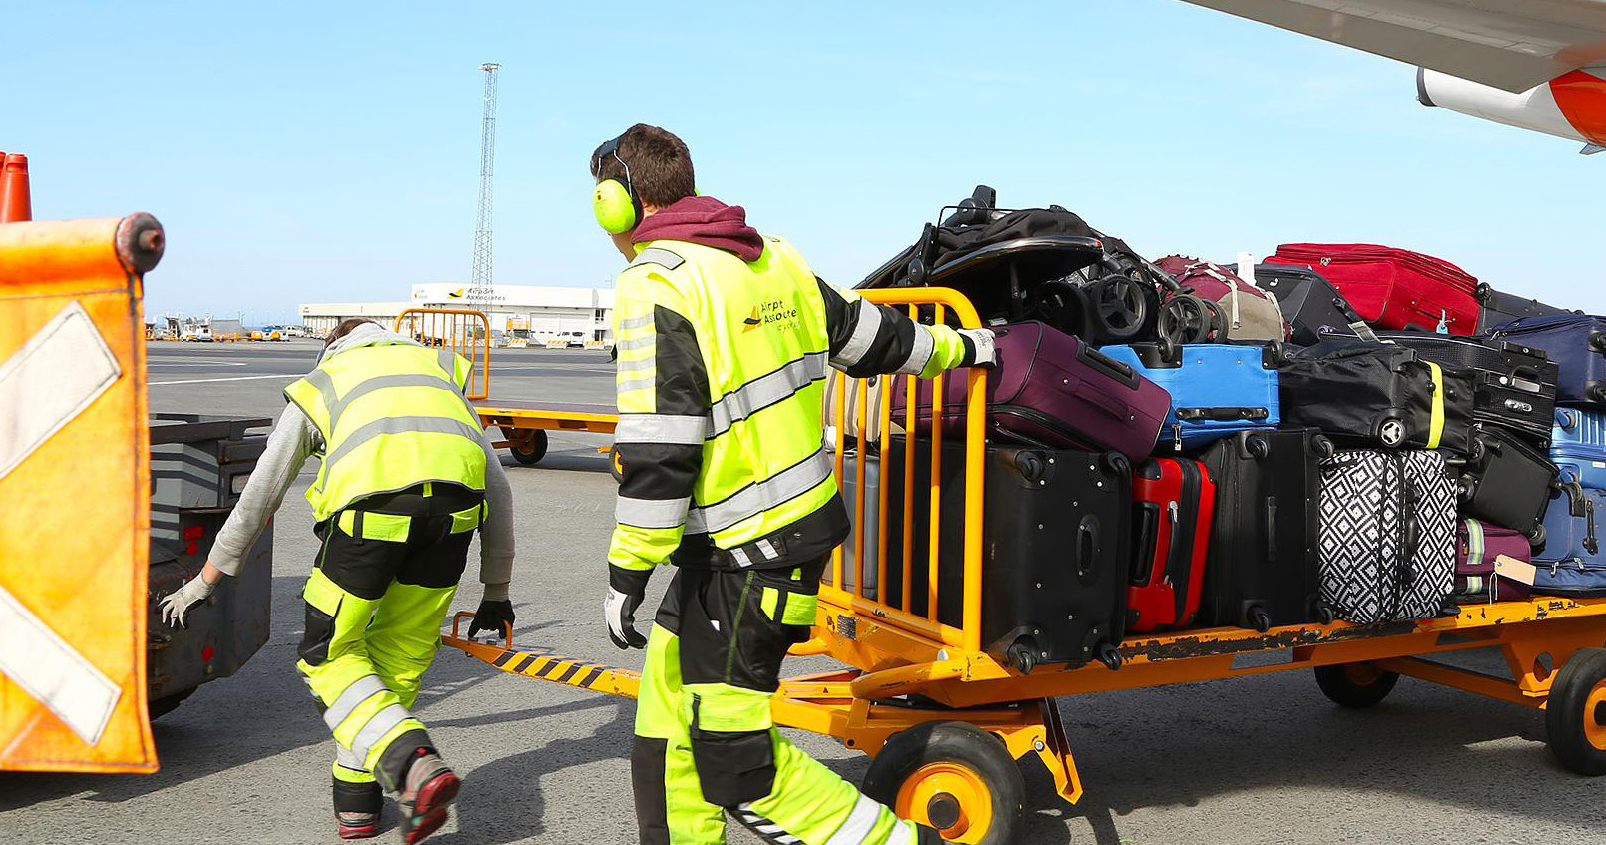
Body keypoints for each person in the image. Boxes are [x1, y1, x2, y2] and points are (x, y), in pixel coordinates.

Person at [592, 124, 995, 845]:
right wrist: (967, 346)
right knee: (665, 712)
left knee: (737, 766)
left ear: (617, 205)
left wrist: (627, 570)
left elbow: (662, 449)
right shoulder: (775, 262)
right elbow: (881, 339)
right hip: (762, 540)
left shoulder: (655, 285)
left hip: (747, 553)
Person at [159, 318, 517, 844]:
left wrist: (205, 580)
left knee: (327, 655)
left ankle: (412, 763)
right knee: (395, 663)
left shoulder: (327, 380)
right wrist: (496, 591)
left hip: (369, 526)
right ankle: (358, 806)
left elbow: (261, 494)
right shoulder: (437, 375)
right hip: (453, 524)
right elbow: (499, 492)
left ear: (334, 345)